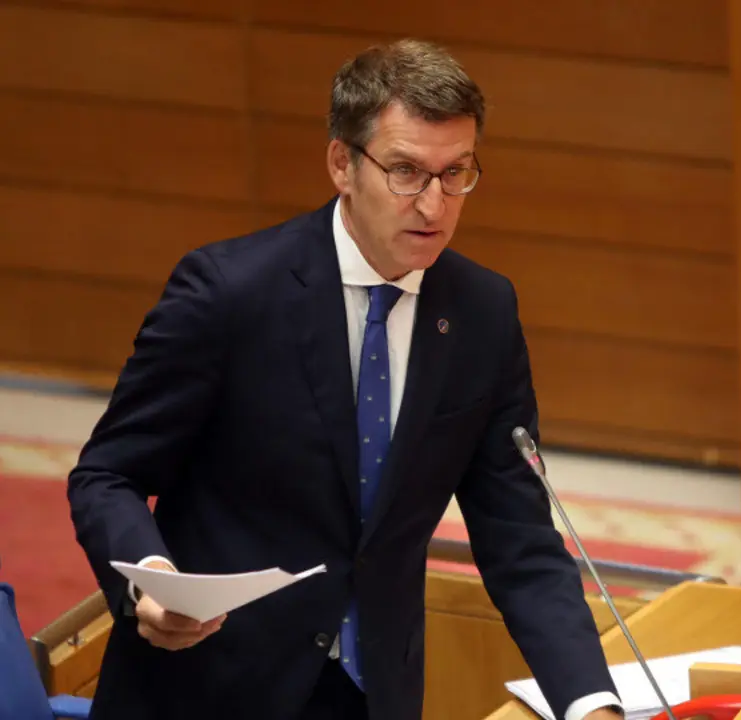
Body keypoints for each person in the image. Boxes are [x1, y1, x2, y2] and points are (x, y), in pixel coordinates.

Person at [66, 39, 624, 720]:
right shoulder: (229, 294)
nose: (434, 204)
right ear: (341, 163)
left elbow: (519, 537)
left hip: (372, 694)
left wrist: (591, 703)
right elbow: (107, 474)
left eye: (457, 173)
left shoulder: (483, 313)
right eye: (406, 172)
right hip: (212, 684)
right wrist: (150, 583)